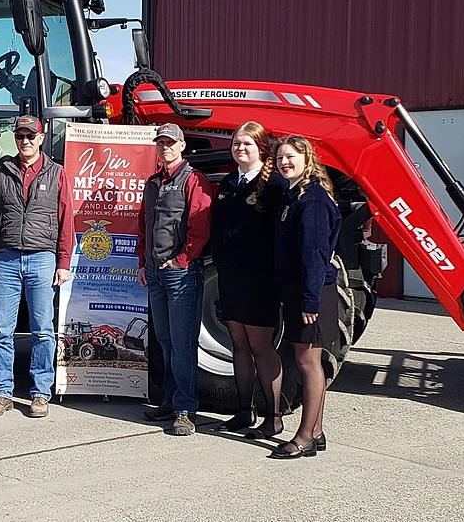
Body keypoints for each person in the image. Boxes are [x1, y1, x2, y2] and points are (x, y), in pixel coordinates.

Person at [0, 115, 74, 419]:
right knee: (1, 329)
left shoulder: (58, 174)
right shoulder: (3, 172)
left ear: (41, 138)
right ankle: (2, 392)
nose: (24, 141)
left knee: (42, 330)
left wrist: (63, 262)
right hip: (7, 257)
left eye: (30, 136)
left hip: (42, 258)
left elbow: (67, 222)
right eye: (20, 136)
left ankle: (39, 392)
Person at [210, 121, 288, 438]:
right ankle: (244, 412)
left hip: (259, 281)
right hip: (231, 278)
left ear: (261, 148)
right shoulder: (229, 183)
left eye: (247, 144)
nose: (240, 149)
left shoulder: (273, 186)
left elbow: (281, 235)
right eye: (236, 143)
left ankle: (273, 416)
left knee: (261, 349)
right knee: (239, 347)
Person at [137, 122, 214, 436]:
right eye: (161, 143)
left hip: (180, 275)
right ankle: (169, 401)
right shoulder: (153, 182)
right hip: (154, 273)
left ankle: (185, 410)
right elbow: (144, 225)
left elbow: (201, 228)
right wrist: (143, 263)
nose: (165, 147)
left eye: (170, 143)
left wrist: (180, 260)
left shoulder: (194, 180)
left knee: (182, 344)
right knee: (166, 342)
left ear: (182, 146)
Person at [270, 135, 341, 459]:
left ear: (307, 159)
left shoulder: (311, 202)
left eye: (291, 157)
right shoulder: (295, 193)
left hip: (311, 292)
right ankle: (317, 431)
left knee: (308, 363)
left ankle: (303, 438)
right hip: (302, 290)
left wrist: (310, 301)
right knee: (310, 362)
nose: (285, 162)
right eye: (281, 157)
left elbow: (314, 255)